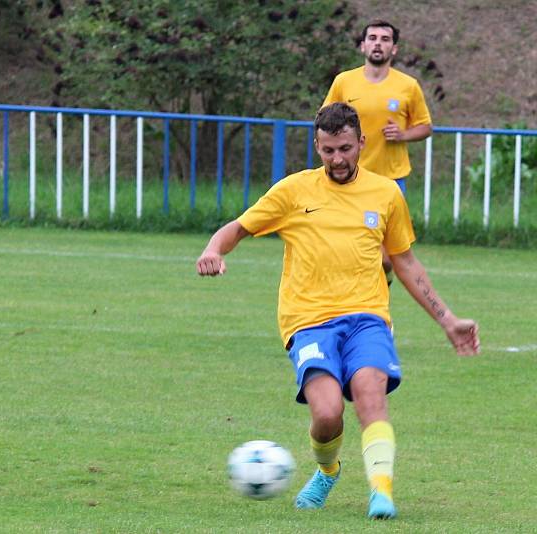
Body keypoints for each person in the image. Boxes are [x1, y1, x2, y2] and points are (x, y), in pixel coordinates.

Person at [196, 103, 479, 519]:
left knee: (370, 396)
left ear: (361, 142)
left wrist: (448, 319)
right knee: (327, 414)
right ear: (317, 145)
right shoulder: (293, 191)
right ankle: (328, 471)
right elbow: (238, 227)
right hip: (308, 321)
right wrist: (213, 249)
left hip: (368, 317)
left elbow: (405, 262)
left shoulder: (385, 194)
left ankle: (381, 493)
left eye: (346, 148)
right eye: (328, 150)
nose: (338, 159)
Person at [323, 20, 432, 280]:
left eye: (384, 39)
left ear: (394, 49)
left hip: (389, 181)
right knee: (348, 250)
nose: (377, 43)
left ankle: (377, 302)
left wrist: (404, 134)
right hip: (348, 179)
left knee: (385, 257)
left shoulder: (408, 86)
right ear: (363, 46)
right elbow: (324, 120)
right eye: (372, 38)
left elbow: (425, 127)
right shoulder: (344, 81)